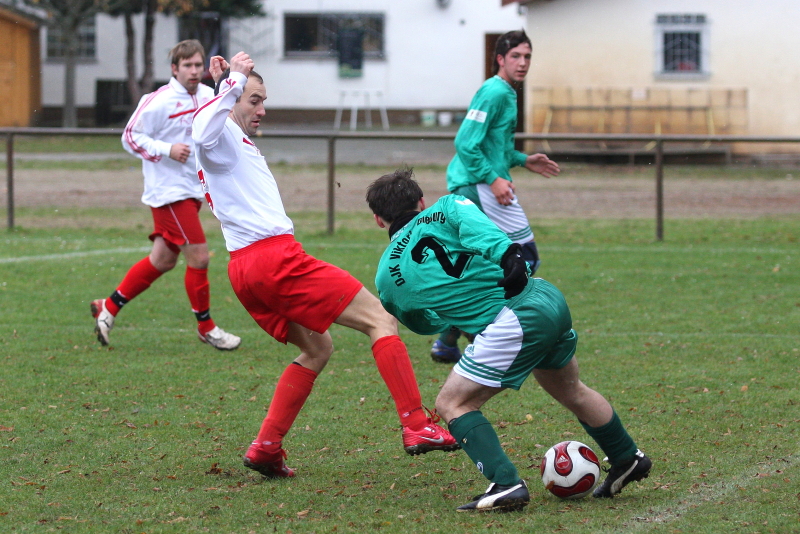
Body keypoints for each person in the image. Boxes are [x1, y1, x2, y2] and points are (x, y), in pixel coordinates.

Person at [191, 52, 458, 478]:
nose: (262, 109)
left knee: (318, 348)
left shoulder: (229, 133)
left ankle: (266, 446)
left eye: (263, 101)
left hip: (245, 268)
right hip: (273, 259)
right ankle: (416, 425)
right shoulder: (219, 133)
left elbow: (209, 118)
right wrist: (232, 83)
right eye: (255, 100)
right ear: (235, 99)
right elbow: (201, 130)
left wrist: (225, 83)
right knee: (380, 320)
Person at [365, 168, 652, 512]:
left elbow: (421, 322)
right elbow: (483, 231)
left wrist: (453, 313)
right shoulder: (449, 205)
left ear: (378, 220)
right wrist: (508, 254)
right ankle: (626, 457)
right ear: (421, 202)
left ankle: (506, 484)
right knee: (571, 389)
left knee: (452, 404)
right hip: (544, 297)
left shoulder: (387, 275)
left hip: (513, 321)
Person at [91, 40, 240, 351]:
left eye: (198, 65)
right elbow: (130, 136)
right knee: (199, 256)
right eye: (187, 65)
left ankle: (109, 305)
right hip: (168, 193)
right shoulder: (157, 100)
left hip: (193, 190)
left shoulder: (206, 96)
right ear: (174, 69)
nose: (194, 71)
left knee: (162, 260)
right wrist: (166, 149)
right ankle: (206, 327)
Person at [432, 29, 561, 364]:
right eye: (515, 56)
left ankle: (450, 338)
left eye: (527, 56)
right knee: (523, 256)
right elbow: (465, 143)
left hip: (478, 183)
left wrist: (523, 160)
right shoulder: (494, 91)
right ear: (500, 59)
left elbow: (495, 148)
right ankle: (485, 329)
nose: (523, 62)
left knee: (489, 261)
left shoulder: (506, 92)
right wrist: (493, 180)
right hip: (476, 186)